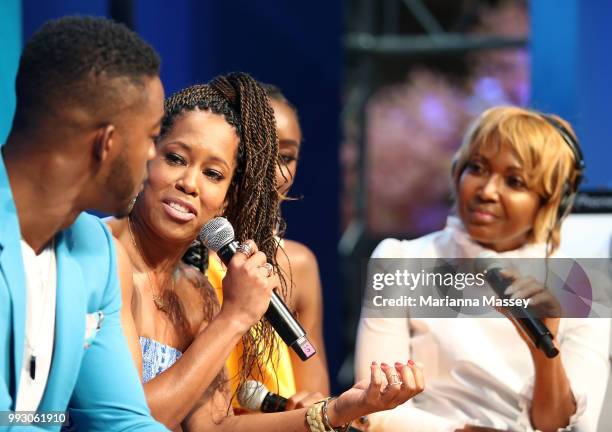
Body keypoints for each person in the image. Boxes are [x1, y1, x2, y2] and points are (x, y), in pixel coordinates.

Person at [110, 73, 425, 431]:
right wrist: (233, 318)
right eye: (176, 158)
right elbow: (126, 419)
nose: (189, 183)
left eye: (213, 173)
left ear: (229, 197)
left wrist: (337, 411)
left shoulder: (197, 292)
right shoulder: (105, 254)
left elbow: (215, 427)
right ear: (148, 155)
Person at [355, 106, 611, 431]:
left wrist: (545, 352)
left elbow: (565, 426)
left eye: (514, 181)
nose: (487, 191)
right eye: (476, 168)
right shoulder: (401, 259)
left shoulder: (583, 287)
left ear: (551, 202)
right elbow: (373, 411)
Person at [0, 16, 167, 430]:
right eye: (151, 136)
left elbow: (118, 420)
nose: (152, 155)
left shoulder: (99, 252)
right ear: (106, 143)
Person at [204, 83, 330, 409]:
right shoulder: (182, 260)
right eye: (256, 152)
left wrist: (311, 410)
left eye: (286, 156)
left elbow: (314, 395)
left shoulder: (298, 264)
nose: (270, 172)